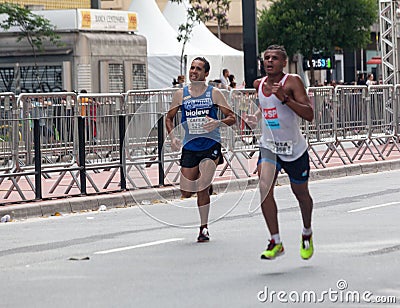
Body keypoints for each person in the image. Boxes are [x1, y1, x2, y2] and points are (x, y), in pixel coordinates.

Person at [245, 45, 315, 260]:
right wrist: (255, 118)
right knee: (264, 188)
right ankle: (275, 241)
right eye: (266, 58)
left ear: (284, 62)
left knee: (301, 194)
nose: (269, 61)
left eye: (274, 58)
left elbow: (309, 114)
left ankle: (306, 232)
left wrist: (286, 99)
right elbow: (266, 105)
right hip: (270, 147)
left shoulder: (292, 82)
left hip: (294, 149)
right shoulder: (259, 84)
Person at [165, 57, 236, 242]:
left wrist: (217, 122)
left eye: (198, 69)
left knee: (202, 187)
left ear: (205, 74)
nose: (193, 71)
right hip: (190, 145)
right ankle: (205, 181)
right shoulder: (181, 94)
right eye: (192, 68)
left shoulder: (214, 93)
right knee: (186, 192)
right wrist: (173, 137)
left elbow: (232, 117)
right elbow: (168, 118)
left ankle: (203, 228)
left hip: (210, 144)